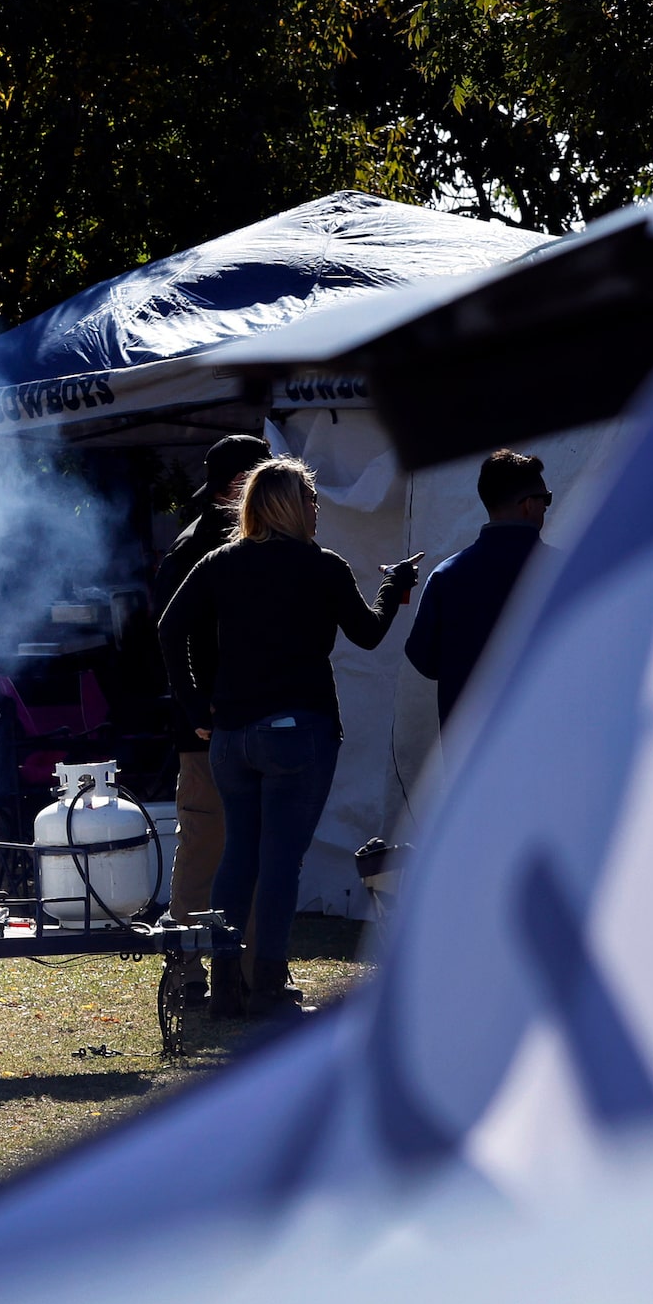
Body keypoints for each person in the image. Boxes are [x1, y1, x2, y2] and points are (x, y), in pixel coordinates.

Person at [158, 459, 420, 1014]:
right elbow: (368, 635)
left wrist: (192, 701)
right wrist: (395, 586)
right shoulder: (322, 566)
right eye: (311, 499)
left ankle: (227, 984)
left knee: (238, 857)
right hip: (298, 731)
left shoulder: (221, 562)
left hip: (231, 733)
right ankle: (268, 986)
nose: (316, 509)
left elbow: (169, 627)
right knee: (280, 863)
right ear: (291, 506)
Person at [154, 434, 270, 932]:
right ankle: (189, 968)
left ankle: (237, 971)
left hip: (233, 723)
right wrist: (197, 709)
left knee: (234, 845)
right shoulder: (199, 548)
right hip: (209, 730)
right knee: (207, 844)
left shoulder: (231, 543)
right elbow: (170, 635)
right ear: (241, 485)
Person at [405, 450, 556, 722]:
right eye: (545, 499)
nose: (546, 507)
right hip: (549, 738)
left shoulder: (445, 576)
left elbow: (423, 659)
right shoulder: (566, 569)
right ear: (528, 505)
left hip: (469, 745)